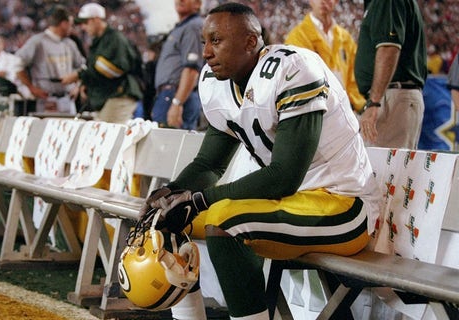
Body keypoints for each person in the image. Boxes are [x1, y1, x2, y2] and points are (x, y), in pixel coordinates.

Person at [139, 3, 379, 319]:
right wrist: (171, 194)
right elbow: (209, 164)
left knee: (225, 222)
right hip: (289, 203)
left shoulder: (294, 69)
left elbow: (284, 176)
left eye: (217, 40)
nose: (207, 52)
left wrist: (199, 200)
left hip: (342, 204)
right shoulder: (217, 82)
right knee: (168, 221)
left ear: (251, 42)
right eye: (205, 42)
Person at [356, 0, 427, 149]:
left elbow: (389, 48)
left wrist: (374, 102)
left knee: (383, 170)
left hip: (390, 98)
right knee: (390, 169)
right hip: (393, 96)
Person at [62, 2, 143, 123]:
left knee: (108, 136)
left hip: (119, 95)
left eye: (85, 22)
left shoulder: (113, 39)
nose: (83, 27)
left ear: (96, 19)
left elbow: (112, 70)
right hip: (109, 97)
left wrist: (79, 75)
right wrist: (86, 83)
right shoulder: (100, 41)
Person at [285, 0, 365, 113]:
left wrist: (359, 105)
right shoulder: (297, 36)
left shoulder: (345, 37)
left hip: (345, 107)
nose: (323, 1)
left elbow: (353, 77)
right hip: (316, 109)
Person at [14, 5, 85, 114]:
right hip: (46, 99)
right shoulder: (37, 42)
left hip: (67, 98)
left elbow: (82, 67)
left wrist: (77, 86)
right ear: (63, 24)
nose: (72, 28)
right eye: (70, 24)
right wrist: (31, 87)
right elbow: (17, 65)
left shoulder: (70, 43)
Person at [151, 0, 205, 129]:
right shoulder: (181, 27)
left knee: (171, 145)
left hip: (177, 95)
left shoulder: (193, 26)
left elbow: (192, 69)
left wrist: (177, 103)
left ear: (197, 4)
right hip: (169, 95)